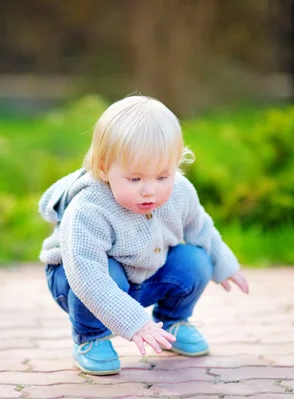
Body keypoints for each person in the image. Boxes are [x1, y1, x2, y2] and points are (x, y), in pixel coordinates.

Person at [38, 95, 249, 376]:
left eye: (162, 176)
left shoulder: (181, 192)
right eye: (135, 179)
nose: (150, 190)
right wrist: (133, 321)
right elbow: (86, 275)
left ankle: (172, 321)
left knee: (195, 261)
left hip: (142, 277)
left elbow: (201, 227)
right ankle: (90, 338)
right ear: (103, 168)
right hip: (78, 281)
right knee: (106, 273)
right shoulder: (88, 208)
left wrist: (224, 263)